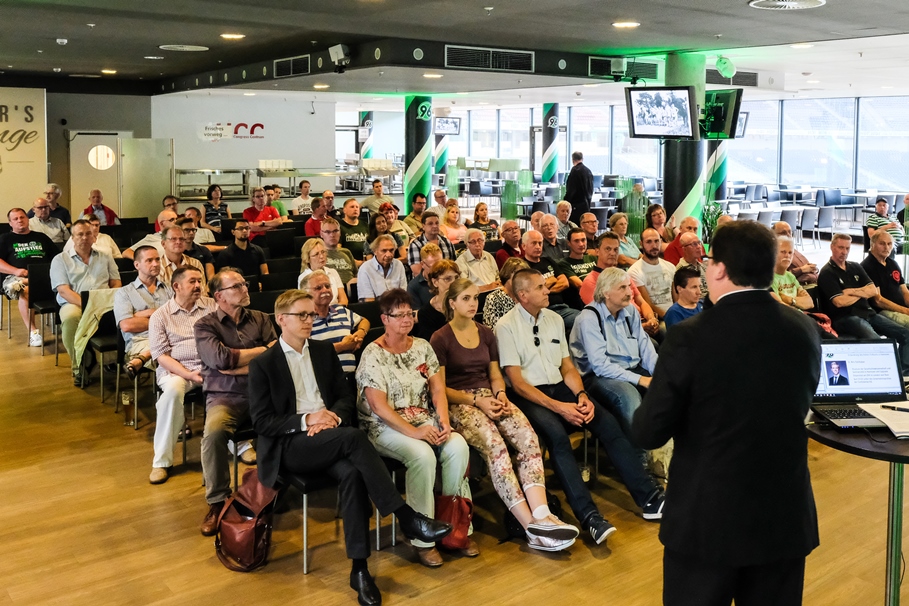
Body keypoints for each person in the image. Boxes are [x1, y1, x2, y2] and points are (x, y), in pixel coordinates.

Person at [632, 220, 821, 606]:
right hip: (782, 516)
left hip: (707, 519)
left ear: (717, 269)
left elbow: (649, 431)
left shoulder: (689, 337)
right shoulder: (803, 329)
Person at [248, 289, 452, 606]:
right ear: (281, 320)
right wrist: (306, 420)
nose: (309, 320)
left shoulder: (323, 351)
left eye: (311, 314)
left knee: (353, 475)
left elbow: (345, 398)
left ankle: (360, 570)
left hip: (330, 436)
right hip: (292, 445)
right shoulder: (264, 363)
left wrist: (331, 419)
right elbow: (262, 422)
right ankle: (407, 517)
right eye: (301, 315)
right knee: (355, 438)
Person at [497, 269, 665, 545]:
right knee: (558, 439)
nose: (547, 289)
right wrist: (561, 407)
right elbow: (517, 383)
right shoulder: (506, 326)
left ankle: (649, 498)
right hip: (531, 394)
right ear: (523, 295)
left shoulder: (553, 319)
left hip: (561, 387)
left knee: (607, 423)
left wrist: (582, 396)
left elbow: (567, 367)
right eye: (540, 287)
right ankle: (590, 518)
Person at [431, 278, 579, 552]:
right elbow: (440, 389)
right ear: (451, 303)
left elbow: (495, 375)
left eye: (475, 298)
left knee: (528, 438)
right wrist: (478, 400)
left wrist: (499, 395)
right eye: (465, 298)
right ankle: (529, 527)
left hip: (490, 397)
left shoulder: (486, 333)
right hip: (461, 402)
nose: (473, 304)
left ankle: (542, 514)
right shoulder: (440, 337)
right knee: (496, 448)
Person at [356, 289, 474, 567]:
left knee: (457, 446)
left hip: (423, 417)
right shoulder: (373, 353)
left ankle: (453, 526)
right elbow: (378, 406)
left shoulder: (422, 346)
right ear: (385, 318)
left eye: (410, 313)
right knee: (422, 455)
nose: (407, 319)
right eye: (399, 315)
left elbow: (437, 390)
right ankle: (422, 538)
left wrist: (443, 421)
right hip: (383, 425)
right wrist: (416, 432)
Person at [195, 268, 275, 536]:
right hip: (226, 396)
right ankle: (218, 502)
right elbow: (219, 360)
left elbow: (277, 354)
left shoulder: (262, 318)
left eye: (244, 284)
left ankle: (270, 490)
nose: (245, 289)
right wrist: (261, 353)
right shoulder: (205, 325)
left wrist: (240, 361)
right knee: (215, 433)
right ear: (219, 296)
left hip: (264, 393)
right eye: (237, 286)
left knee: (286, 423)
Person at [146, 266, 214, 484]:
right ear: (176, 286)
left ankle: (240, 445)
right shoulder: (160, 316)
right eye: (192, 281)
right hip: (176, 370)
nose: (198, 286)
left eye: (199, 281)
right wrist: (188, 374)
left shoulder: (211, 306)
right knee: (173, 392)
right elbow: (161, 357)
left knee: (234, 386)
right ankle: (161, 461)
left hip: (210, 367)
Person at [569, 268, 658, 434]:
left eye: (629, 287)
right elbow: (601, 366)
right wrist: (641, 379)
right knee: (629, 397)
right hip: (597, 376)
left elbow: (645, 347)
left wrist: (659, 374)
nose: (629, 293)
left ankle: (666, 450)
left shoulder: (630, 310)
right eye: (622, 288)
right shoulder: (589, 318)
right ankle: (640, 456)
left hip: (629, 367)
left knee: (668, 390)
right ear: (606, 293)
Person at [818, 233, 909, 368]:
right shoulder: (827, 273)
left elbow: (872, 290)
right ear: (832, 247)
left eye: (847, 248)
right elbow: (839, 302)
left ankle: (903, 373)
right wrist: (862, 293)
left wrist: (851, 292)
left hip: (868, 313)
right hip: (845, 317)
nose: (844, 252)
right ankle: (885, 374)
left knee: (906, 334)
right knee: (879, 344)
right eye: (840, 248)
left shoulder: (855, 266)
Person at [50, 219, 122, 384]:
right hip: (74, 303)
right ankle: (80, 367)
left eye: (88, 233)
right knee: (70, 318)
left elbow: (116, 282)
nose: (84, 237)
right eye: (79, 234)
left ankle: (117, 360)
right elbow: (64, 291)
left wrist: (106, 301)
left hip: (105, 302)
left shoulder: (105, 256)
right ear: (73, 238)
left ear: (94, 237)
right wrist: (89, 305)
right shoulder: (60, 260)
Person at [580, 233, 660, 337]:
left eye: (616, 249)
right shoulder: (590, 281)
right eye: (608, 249)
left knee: (667, 332)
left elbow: (640, 300)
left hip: (640, 321)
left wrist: (651, 319)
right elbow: (606, 316)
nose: (612, 253)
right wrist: (640, 327)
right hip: (619, 331)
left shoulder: (624, 275)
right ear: (597, 251)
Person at [0, 208, 58, 346]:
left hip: (44, 276)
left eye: (22, 217)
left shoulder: (41, 237)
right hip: (14, 278)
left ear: (27, 219)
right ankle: (33, 333)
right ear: (10, 223)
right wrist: (15, 271)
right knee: (25, 290)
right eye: (15, 219)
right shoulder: (5, 239)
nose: (20, 220)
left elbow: (57, 257)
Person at [113, 245, 171, 381]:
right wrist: (160, 316)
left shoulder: (169, 289)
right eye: (149, 260)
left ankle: (143, 358)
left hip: (169, 336)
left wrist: (142, 315)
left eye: (157, 259)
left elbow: (179, 318)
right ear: (137, 265)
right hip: (141, 340)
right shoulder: (124, 293)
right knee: (173, 352)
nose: (156, 264)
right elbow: (127, 326)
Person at [300, 270, 369, 374]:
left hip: (352, 378)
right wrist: (343, 346)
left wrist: (360, 333)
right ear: (306, 293)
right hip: (324, 380)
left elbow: (364, 321)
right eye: (318, 288)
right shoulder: (304, 320)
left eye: (327, 286)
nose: (325, 290)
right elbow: (310, 353)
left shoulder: (341, 310)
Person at [521, 230, 579, 332]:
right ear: (524, 246)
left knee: (584, 319)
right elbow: (531, 292)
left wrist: (541, 289)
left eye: (540, 243)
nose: (538, 246)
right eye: (534, 243)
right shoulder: (523, 267)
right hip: (541, 311)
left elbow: (564, 283)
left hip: (563, 308)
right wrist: (552, 280)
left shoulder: (548, 260)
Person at [861, 230, 909, 327]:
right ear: (872, 244)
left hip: (901, 308)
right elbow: (878, 300)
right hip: (883, 311)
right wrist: (905, 310)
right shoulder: (867, 266)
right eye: (882, 244)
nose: (886, 247)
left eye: (889, 244)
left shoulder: (892, 263)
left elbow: (904, 291)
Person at [628, 228, 676, 321]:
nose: (654, 245)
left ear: (661, 241)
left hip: (674, 314)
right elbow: (646, 303)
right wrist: (670, 317)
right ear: (641, 244)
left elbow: (676, 298)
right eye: (649, 242)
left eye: (657, 241)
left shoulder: (670, 267)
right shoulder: (634, 271)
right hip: (656, 318)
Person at [414, 259, 460, 341]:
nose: (454, 283)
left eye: (456, 278)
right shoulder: (426, 313)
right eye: (448, 279)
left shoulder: (462, 304)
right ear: (435, 282)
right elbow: (432, 345)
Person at [483, 257, 530, 330]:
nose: (521, 280)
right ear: (507, 275)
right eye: (517, 275)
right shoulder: (494, 298)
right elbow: (493, 329)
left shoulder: (527, 296)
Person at [298, 237, 347, 306]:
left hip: (337, 311)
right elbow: (306, 304)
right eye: (316, 254)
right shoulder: (303, 277)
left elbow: (343, 299)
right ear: (308, 259)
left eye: (323, 252)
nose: (321, 256)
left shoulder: (333, 272)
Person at [357, 235, 407, 302]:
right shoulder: (365, 269)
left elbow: (403, 295)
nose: (389, 255)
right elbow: (369, 301)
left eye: (391, 250)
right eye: (384, 251)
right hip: (375, 309)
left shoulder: (398, 265)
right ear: (375, 251)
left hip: (397, 308)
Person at [407, 211, 456, 277]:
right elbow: (417, 272)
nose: (435, 226)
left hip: (446, 281)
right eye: (430, 223)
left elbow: (453, 266)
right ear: (423, 226)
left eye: (437, 223)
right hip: (424, 283)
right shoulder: (415, 245)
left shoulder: (447, 242)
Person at [771, 236, 814, 311]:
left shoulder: (790, 276)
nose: (787, 256)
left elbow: (810, 303)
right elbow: (781, 309)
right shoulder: (769, 279)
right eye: (783, 252)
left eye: (790, 252)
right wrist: (799, 303)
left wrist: (790, 300)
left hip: (800, 317)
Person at [321, 216, 358, 285]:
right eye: (328, 232)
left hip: (353, 290)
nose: (332, 235)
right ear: (321, 234)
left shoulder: (346, 252)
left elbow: (356, 274)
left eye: (335, 231)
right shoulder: (319, 255)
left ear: (340, 233)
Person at [407, 243, 442, 309]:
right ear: (422, 264)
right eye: (433, 267)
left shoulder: (449, 279)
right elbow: (417, 314)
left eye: (441, 265)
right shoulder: (413, 286)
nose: (438, 270)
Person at [675, 232, 707, 300]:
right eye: (694, 244)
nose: (699, 247)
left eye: (699, 243)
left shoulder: (703, 267)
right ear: (684, 249)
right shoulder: (681, 270)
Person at [564, 151, 594, 225]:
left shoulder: (575, 171)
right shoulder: (588, 171)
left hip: (576, 207)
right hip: (586, 205)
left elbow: (571, 190)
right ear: (582, 159)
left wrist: (566, 201)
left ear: (573, 160)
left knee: (575, 227)